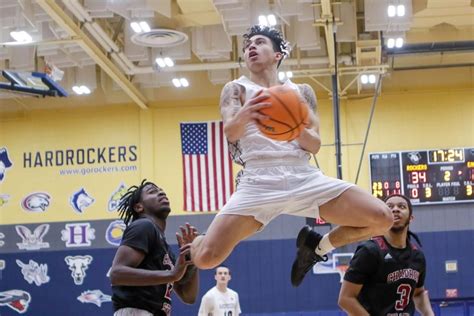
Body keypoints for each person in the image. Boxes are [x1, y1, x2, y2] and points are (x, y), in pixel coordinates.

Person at [189, 24, 393, 288]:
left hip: (302, 175)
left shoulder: (301, 92)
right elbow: (230, 131)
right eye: (248, 45)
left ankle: (318, 246)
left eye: (260, 42)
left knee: (383, 218)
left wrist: (294, 128)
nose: (252, 47)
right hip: (258, 180)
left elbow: (315, 144)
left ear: (277, 55)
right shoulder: (236, 89)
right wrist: (249, 111)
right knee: (206, 259)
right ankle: (192, 245)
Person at [110, 180, 199, 316]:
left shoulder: (165, 249)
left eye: (161, 190)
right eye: (152, 191)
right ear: (139, 207)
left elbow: (188, 297)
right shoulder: (143, 226)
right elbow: (117, 274)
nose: (161, 192)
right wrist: (171, 274)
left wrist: (191, 258)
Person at [338, 194, 434, 316]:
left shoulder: (417, 256)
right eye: (389, 207)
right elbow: (346, 299)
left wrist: (429, 313)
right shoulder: (369, 251)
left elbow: (418, 293)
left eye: (401, 206)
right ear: (383, 217)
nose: (395, 209)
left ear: (411, 218)